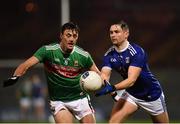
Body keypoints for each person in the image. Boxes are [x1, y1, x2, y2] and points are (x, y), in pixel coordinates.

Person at [11, 22, 100, 123]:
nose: (71, 39)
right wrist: (14, 77)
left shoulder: (83, 55)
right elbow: (25, 65)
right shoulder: (47, 51)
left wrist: (103, 85)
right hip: (59, 101)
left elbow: (98, 74)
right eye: (68, 35)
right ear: (61, 36)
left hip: (80, 99)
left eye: (75, 36)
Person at [95, 20, 169, 123]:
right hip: (132, 94)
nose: (113, 35)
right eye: (111, 32)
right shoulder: (109, 55)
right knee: (113, 122)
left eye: (117, 32)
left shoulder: (137, 52)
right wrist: (109, 89)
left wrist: (113, 88)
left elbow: (131, 80)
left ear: (126, 34)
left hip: (151, 93)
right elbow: (105, 75)